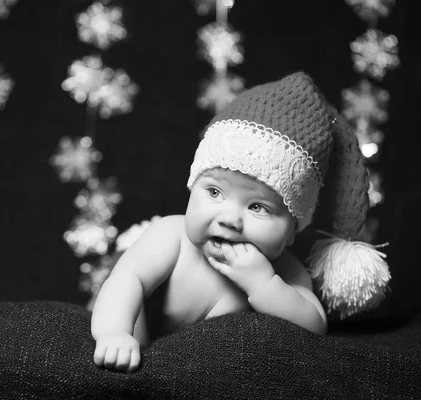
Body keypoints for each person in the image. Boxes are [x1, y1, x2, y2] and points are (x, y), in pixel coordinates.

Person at [90, 71, 391, 373]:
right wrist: (114, 333)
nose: (230, 219)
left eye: (258, 206)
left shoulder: (283, 272)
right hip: (137, 354)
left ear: (292, 231)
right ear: (192, 185)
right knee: (127, 298)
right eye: (215, 191)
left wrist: (264, 284)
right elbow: (126, 281)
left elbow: (315, 326)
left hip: (207, 372)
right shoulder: (172, 235)